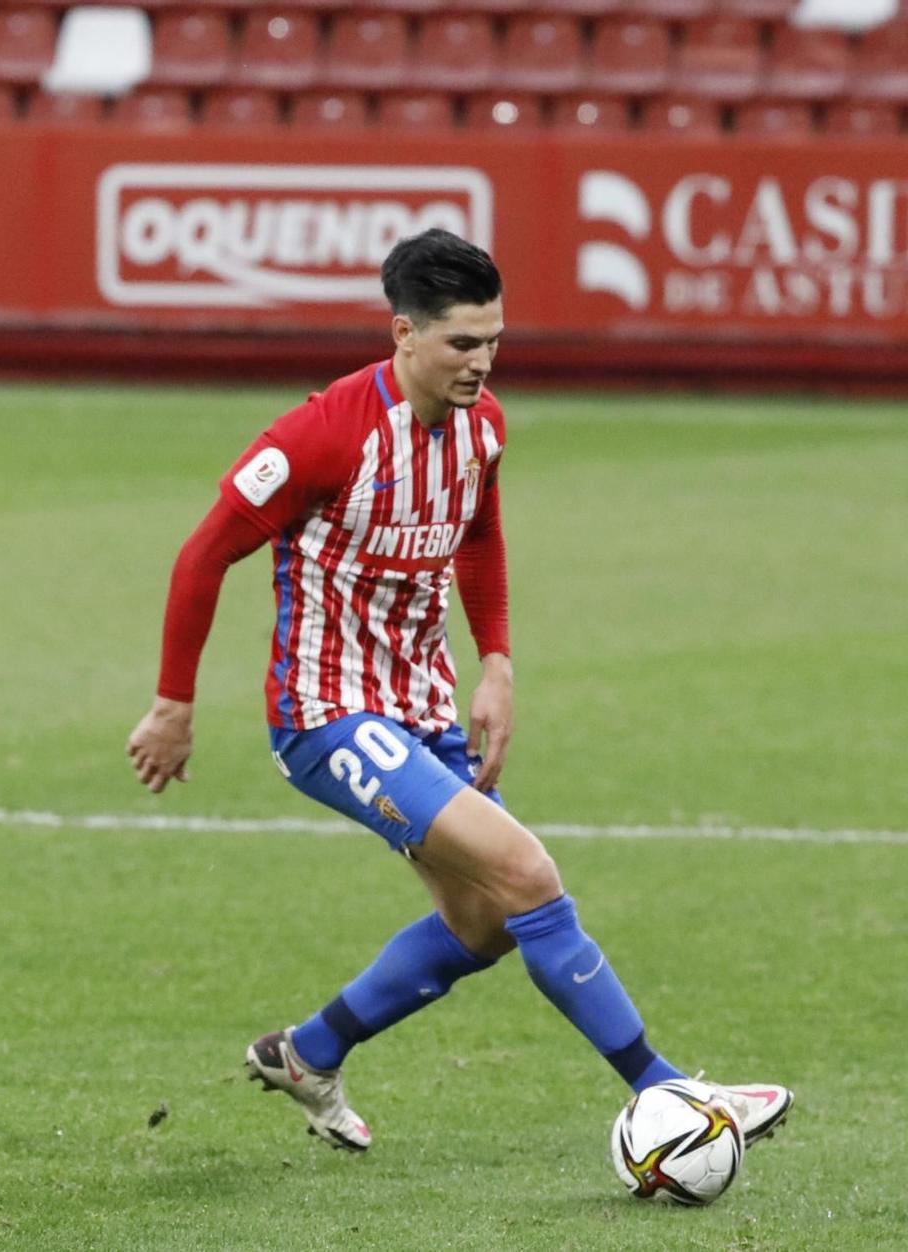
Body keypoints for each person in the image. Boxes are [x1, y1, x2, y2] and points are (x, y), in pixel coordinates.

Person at [124, 229, 790, 1155]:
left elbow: (477, 536)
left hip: (424, 705)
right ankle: (673, 1092)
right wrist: (172, 704)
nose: (483, 363)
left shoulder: (484, 427)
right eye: (462, 344)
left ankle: (307, 1054)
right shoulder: (321, 434)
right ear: (404, 334)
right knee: (527, 877)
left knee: (483, 920)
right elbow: (204, 554)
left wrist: (498, 663)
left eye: (494, 342)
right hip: (329, 714)